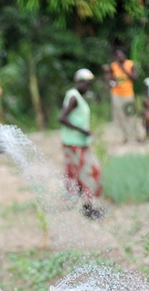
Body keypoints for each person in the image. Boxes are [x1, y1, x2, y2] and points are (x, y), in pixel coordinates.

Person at [58, 69, 104, 220]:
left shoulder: (77, 97)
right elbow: (62, 118)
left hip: (79, 143)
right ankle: (88, 207)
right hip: (74, 144)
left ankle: (85, 204)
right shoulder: (74, 97)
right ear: (80, 82)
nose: (89, 88)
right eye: (87, 84)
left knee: (81, 174)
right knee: (89, 173)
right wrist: (82, 130)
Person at [107, 47, 142, 143]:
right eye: (117, 56)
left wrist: (124, 69)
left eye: (120, 55)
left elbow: (135, 78)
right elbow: (110, 78)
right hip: (116, 94)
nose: (119, 57)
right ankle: (125, 137)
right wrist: (112, 81)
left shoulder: (130, 64)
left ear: (124, 55)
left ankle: (136, 135)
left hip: (128, 94)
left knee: (131, 114)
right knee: (120, 116)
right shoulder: (113, 66)